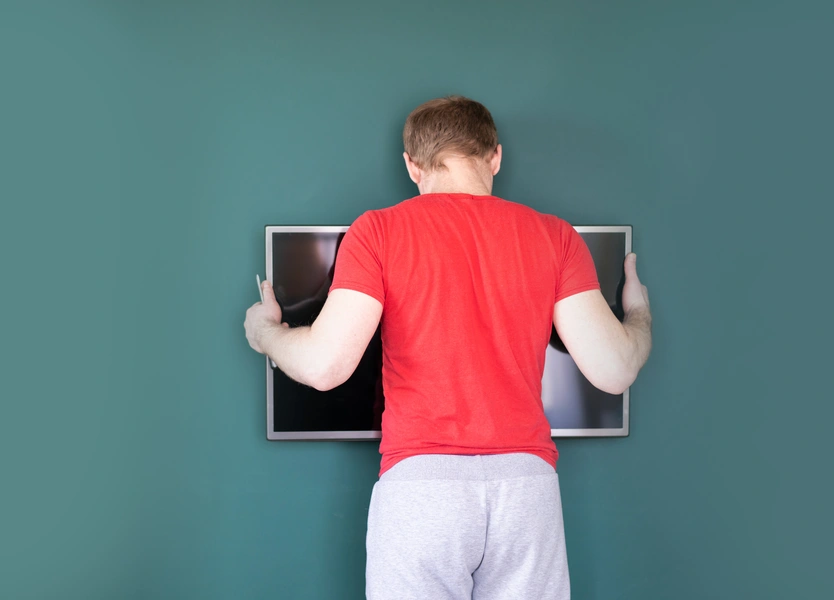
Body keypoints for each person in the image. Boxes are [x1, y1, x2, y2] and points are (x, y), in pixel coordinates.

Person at [244, 96, 652, 600]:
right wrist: (637, 312)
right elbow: (615, 370)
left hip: (423, 488)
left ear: (412, 166)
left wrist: (266, 332)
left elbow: (326, 366)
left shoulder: (378, 232)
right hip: (526, 488)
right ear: (495, 157)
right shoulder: (557, 237)